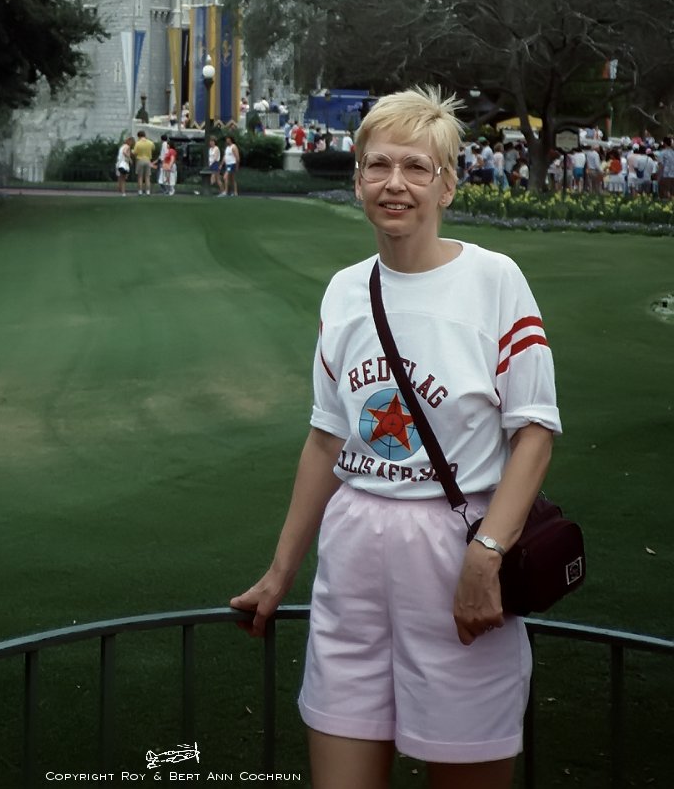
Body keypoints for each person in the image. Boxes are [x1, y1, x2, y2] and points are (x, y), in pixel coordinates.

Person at [230, 86, 560, 789]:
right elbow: (327, 439)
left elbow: (533, 430)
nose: (395, 184)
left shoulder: (494, 281)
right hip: (353, 554)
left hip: (456, 548)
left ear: (447, 184)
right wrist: (280, 573)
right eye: (378, 166)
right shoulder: (345, 291)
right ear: (357, 182)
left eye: (416, 167)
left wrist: (487, 556)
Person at [132, 131, 155, 196]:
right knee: (147, 177)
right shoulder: (150, 142)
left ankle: (140, 191)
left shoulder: (138, 143)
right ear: (145, 135)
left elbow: (135, 152)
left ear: (139, 136)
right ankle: (148, 191)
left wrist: (132, 151)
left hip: (140, 160)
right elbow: (153, 148)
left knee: (140, 177)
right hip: (148, 160)